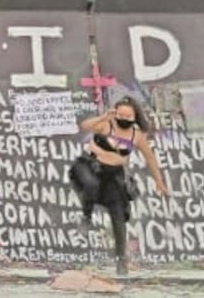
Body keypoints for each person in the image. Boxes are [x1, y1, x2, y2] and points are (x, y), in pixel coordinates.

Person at [69, 96, 168, 276]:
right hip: (90, 166)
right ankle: (86, 216)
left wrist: (159, 182)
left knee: (118, 216)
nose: (123, 118)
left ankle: (122, 261)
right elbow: (84, 126)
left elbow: (150, 158)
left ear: (134, 117)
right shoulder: (106, 125)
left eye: (128, 116)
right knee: (90, 184)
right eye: (120, 114)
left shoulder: (137, 136)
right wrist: (103, 117)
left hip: (113, 174)